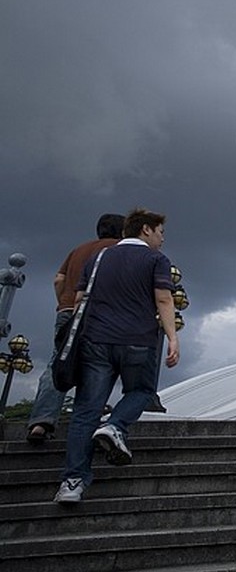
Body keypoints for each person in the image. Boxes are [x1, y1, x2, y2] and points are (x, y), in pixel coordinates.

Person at [54, 208, 180, 504]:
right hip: (138, 340)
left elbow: (79, 298)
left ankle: (72, 483)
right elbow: (163, 297)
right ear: (146, 230)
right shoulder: (156, 259)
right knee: (141, 390)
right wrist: (173, 337)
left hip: (96, 341)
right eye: (161, 232)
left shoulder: (98, 258)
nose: (162, 239)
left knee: (86, 410)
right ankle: (115, 425)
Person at [26, 213, 125, 445]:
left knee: (58, 362)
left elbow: (58, 280)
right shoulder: (118, 248)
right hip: (99, 312)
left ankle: (41, 421)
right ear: (123, 231)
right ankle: (86, 420)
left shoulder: (79, 249)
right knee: (97, 366)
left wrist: (64, 303)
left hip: (67, 311)